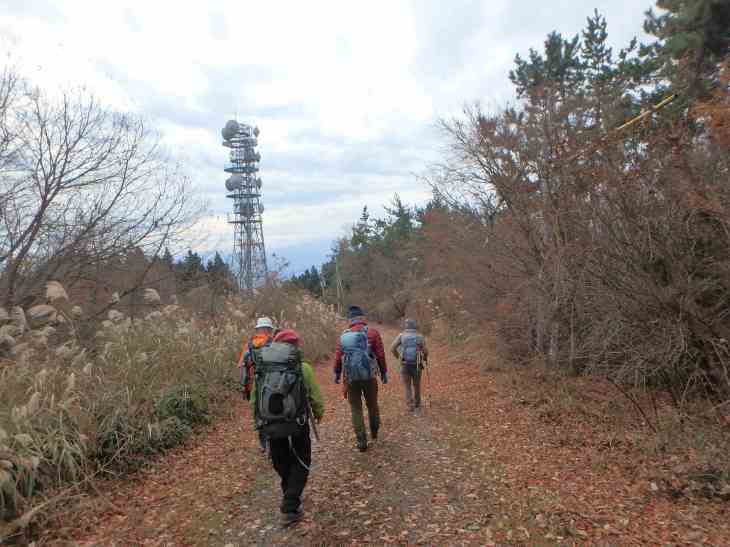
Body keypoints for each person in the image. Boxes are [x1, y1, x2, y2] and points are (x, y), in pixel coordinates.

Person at [250, 329, 324, 526]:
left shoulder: (263, 368)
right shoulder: (302, 367)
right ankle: (290, 504)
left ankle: (290, 494)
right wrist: (319, 412)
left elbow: (255, 398)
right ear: (295, 346)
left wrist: (257, 421)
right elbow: (314, 395)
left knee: (280, 460)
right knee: (303, 459)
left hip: (270, 422)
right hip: (297, 421)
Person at [334, 305, 387, 451]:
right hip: (369, 377)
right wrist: (384, 372)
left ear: (350, 320)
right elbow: (380, 354)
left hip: (351, 379)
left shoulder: (344, 336)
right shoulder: (373, 333)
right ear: (362, 318)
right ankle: (374, 431)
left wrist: (337, 373)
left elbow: (339, 357)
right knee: (372, 405)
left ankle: (361, 440)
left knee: (356, 409)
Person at [238, 316, 275, 451]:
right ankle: (275, 440)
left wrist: (243, 387)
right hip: (273, 382)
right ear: (269, 329)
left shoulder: (249, 345)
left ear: (258, 329)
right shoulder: (274, 342)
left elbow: (241, 366)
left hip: (255, 385)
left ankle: (263, 443)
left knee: (258, 412)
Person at [390, 318, 429, 411]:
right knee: (417, 384)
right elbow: (426, 351)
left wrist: (398, 357)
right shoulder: (420, 337)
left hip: (405, 364)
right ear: (415, 326)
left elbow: (392, 348)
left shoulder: (401, 336)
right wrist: (424, 358)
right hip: (417, 364)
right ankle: (418, 403)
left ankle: (410, 405)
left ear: (406, 326)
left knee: (407, 386)